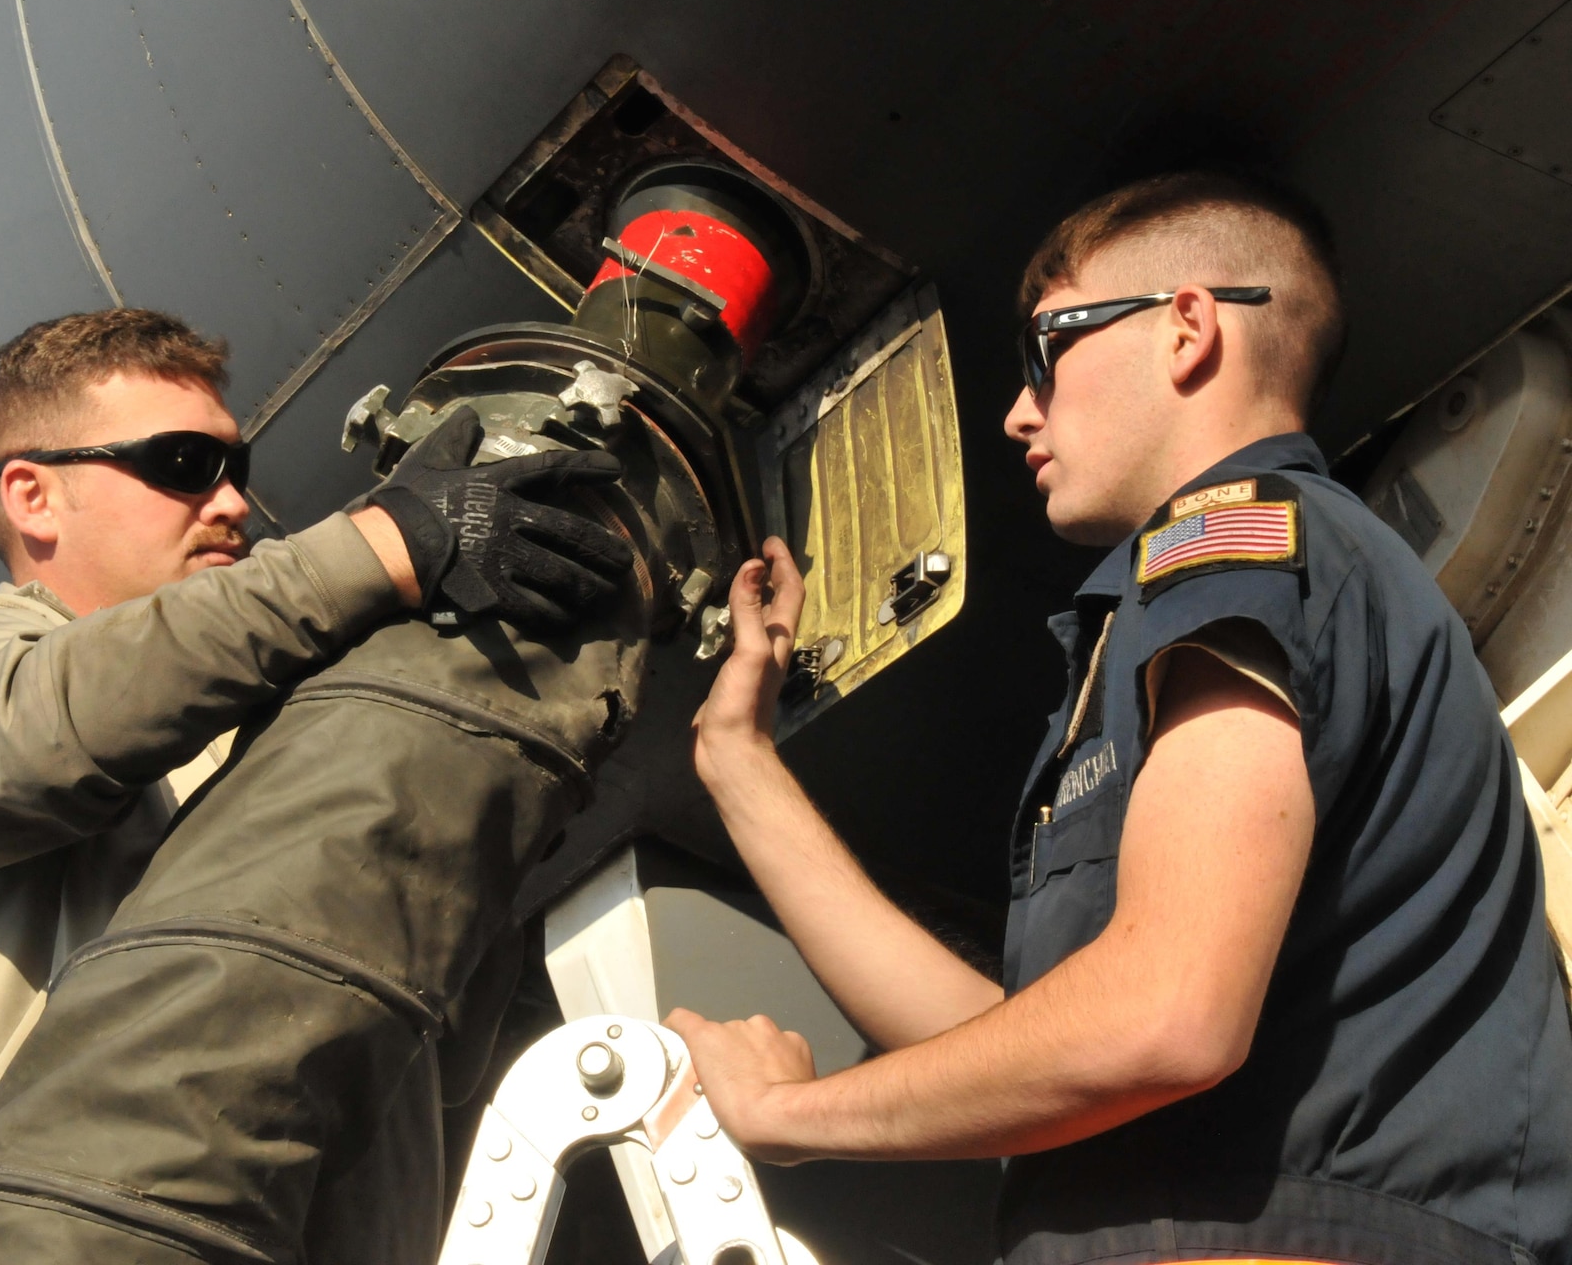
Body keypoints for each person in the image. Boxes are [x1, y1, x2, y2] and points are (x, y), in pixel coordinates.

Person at [669, 172, 1572, 1264]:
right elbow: (1014, 1037)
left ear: (1186, 329)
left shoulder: (1239, 542)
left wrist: (791, 1117)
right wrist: (735, 758)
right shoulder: (1209, 593)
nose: (1016, 409)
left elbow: (1160, 1016)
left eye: (1048, 345)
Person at [0, 307, 628, 1139]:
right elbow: (23, 749)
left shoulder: (260, 712)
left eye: (235, 466)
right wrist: (377, 547)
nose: (232, 502)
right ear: (33, 496)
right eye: (185, 464)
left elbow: (441, 1067)